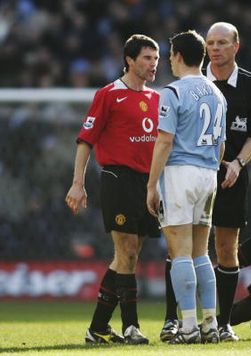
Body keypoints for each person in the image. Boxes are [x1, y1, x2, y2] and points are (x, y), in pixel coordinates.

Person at [160, 21, 251, 343]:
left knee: (224, 248)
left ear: (236, 46)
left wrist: (237, 163)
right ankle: (174, 320)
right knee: (180, 248)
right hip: (201, 172)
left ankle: (221, 324)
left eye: (222, 42)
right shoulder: (197, 83)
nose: (215, 48)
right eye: (210, 42)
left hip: (228, 175)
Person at [65, 34, 160, 345]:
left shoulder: (158, 99)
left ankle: (97, 328)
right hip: (117, 178)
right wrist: (78, 183)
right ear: (129, 60)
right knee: (127, 251)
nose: (153, 64)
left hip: (147, 183)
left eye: (156, 59)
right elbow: (85, 140)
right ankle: (132, 327)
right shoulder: (109, 94)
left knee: (128, 258)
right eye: (147, 58)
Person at [146, 30, 227, 345]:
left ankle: (189, 326)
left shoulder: (173, 92)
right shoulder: (217, 94)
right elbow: (221, 146)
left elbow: (164, 141)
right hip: (208, 174)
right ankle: (210, 324)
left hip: (180, 172)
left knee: (179, 251)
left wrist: (152, 184)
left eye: (169, 55)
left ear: (177, 56)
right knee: (201, 254)